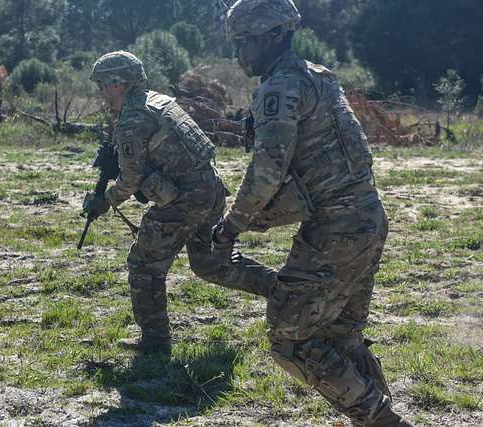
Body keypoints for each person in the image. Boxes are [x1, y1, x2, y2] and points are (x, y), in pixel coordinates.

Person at [211, 1, 414, 426]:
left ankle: (381, 420)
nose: (238, 55)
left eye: (242, 42)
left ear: (269, 37)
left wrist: (232, 226)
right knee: (341, 334)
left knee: (289, 337)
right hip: (367, 217)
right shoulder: (319, 77)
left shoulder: (279, 89)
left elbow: (267, 171)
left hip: (335, 230)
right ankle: (378, 415)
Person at [83, 51, 276, 354]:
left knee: (144, 264)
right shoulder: (160, 102)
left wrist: (105, 201)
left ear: (117, 84)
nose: (102, 93)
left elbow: (131, 180)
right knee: (211, 264)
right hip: (210, 189)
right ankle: (283, 290)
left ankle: (155, 342)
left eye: (103, 85)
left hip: (185, 200)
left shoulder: (132, 119)